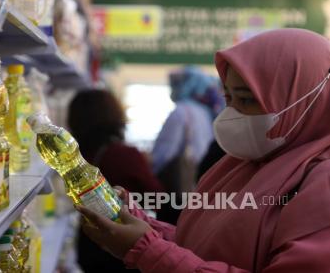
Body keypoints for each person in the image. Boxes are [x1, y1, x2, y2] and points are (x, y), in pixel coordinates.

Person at [76, 28, 330, 272]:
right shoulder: (243, 165)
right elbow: (202, 245)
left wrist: (148, 251)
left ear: (306, 101)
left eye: (247, 100)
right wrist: (144, 226)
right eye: (228, 99)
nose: (231, 115)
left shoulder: (321, 183)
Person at [67, 89, 163, 273]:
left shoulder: (76, 157)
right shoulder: (125, 155)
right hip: (124, 246)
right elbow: (158, 197)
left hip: (90, 243)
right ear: (114, 115)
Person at [152, 66, 223, 224]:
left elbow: (163, 155)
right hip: (198, 186)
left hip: (177, 191)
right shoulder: (207, 112)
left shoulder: (181, 111)